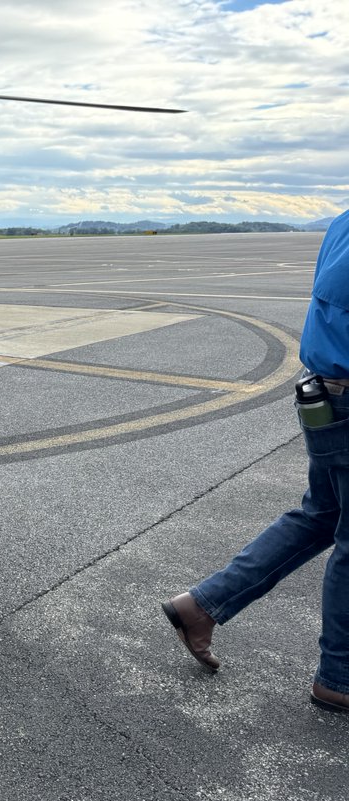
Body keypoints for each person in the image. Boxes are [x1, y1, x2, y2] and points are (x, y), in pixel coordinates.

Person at [162, 209, 349, 715]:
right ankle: (339, 676)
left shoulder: (343, 222)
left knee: (321, 516)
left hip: (329, 394)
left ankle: (201, 606)